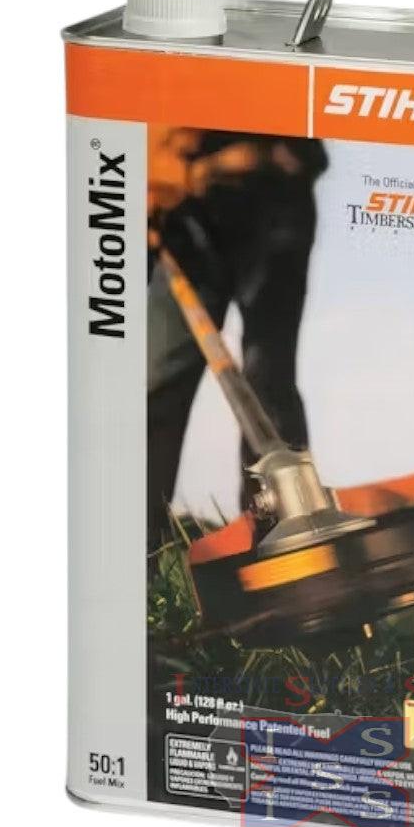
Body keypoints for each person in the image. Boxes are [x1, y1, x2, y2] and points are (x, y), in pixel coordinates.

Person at [146, 128, 328, 546]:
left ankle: (285, 539)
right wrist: (156, 179)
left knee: (269, 378)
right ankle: (136, 549)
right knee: (161, 381)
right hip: (185, 208)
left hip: (275, 193)